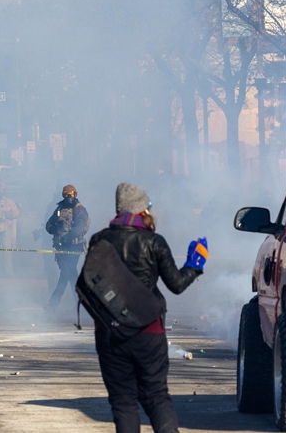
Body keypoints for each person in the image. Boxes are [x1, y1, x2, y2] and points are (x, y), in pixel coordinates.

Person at [91, 183, 205, 433]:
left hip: (109, 332)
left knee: (123, 402)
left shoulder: (98, 239)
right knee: (156, 396)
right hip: (148, 332)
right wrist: (194, 265)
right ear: (142, 210)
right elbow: (176, 285)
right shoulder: (154, 242)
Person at [44, 184, 90, 310]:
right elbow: (48, 224)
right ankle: (81, 303)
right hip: (61, 247)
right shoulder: (59, 208)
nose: (69, 197)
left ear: (75, 194)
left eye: (71, 194)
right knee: (69, 273)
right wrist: (54, 229)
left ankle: (54, 303)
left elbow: (78, 228)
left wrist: (65, 239)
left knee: (66, 273)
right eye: (66, 194)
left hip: (74, 245)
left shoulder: (80, 210)